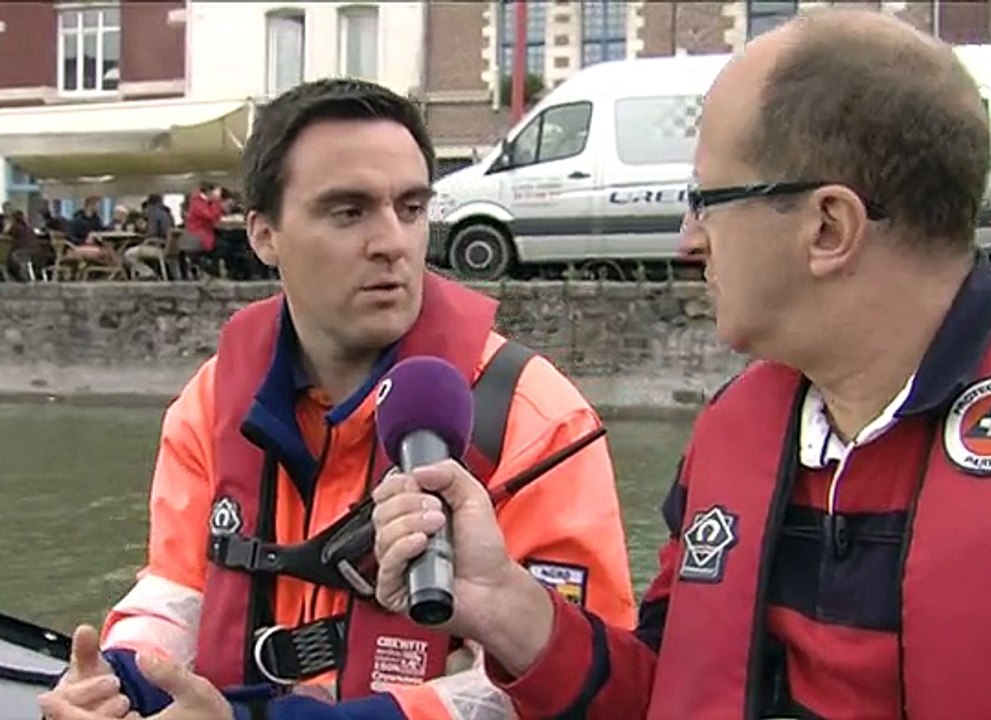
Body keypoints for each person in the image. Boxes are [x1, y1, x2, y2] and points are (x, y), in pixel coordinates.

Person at [368, 8, 991, 720]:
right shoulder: (730, 439)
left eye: (706, 198)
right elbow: (664, 696)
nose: (686, 239)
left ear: (827, 227)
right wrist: (504, 601)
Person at [37, 78, 636, 720]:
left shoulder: (535, 418)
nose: (392, 242)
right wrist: (120, 678)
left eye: (410, 208)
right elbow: (179, 585)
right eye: (348, 211)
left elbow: (573, 686)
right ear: (265, 235)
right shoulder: (212, 401)